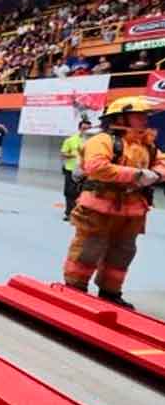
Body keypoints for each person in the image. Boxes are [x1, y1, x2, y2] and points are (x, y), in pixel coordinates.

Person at [63, 97, 165, 309]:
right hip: (98, 206)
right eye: (139, 115)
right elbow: (97, 166)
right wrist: (137, 175)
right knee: (89, 248)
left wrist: (155, 174)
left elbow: (162, 164)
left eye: (145, 115)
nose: (144, 119)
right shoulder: (102, 141)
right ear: (121, 117)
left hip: (133, 210)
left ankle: (110, 291)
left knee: (123, 252)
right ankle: (75, 288)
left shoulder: (147, 144)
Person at [60, 119, 92, 221]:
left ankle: (80, 214)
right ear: (79, 129)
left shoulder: (94, 142)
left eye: (88, 129)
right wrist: (74, 155)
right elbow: (63, 154)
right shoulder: (70, 140)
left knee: (85, 193)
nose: (85, 131)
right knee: (69, 192)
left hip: (87, 171)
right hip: (71, 169)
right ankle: (69, 213)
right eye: (84, 128)